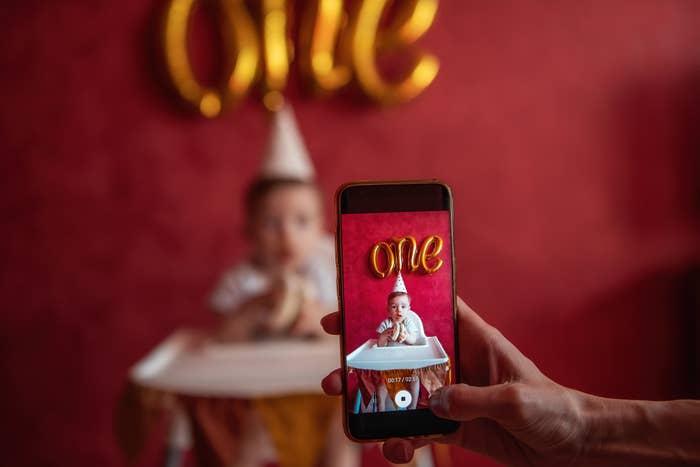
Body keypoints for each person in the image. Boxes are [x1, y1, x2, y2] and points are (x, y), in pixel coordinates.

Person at [321, 297, 700, 466]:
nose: (400, 311)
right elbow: (386, 338)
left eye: (404, 306)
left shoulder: (416, 320)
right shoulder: (389, 322)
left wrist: (581, 436)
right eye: (395, 307)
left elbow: (418, 339)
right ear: (389, 307)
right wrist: (390, 334)